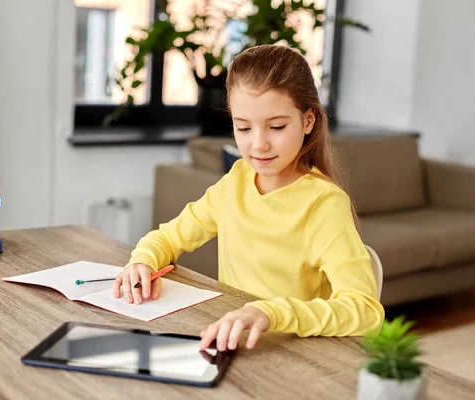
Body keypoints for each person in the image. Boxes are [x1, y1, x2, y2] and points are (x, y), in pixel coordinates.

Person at [113, 44, 384, 352]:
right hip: (232, 342)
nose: (259, 145)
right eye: (243, 127)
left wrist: (271, 312)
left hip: (294, 354)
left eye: (277, 126)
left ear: (308, 121)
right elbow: (168, 237)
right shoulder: (237, 180)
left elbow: (365, 311)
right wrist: (143, 261)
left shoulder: (322, 203)